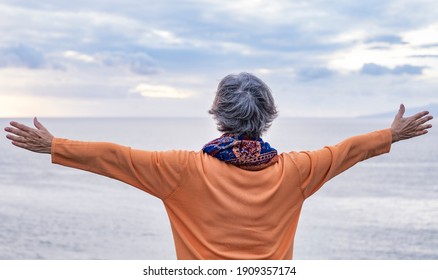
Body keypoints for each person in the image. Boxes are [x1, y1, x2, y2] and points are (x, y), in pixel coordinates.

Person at [4, 72, 433, 259]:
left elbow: (114, 156)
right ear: (268, 116)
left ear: (217, 113)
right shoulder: (297, 172)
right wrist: (390, 135)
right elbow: (345, 150)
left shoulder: (180, 172)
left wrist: (55, 146)